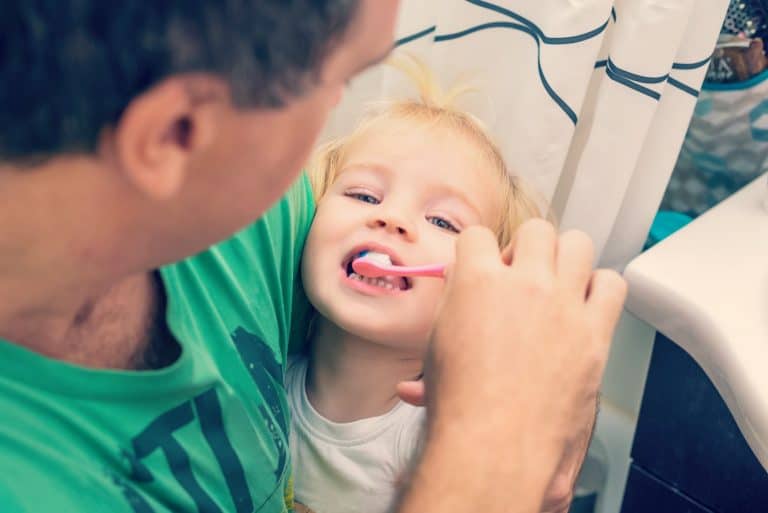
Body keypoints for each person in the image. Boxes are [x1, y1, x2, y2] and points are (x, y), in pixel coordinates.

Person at [0, 2, 627, 512]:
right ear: (173, 135)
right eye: (338, 82)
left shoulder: (262, 225)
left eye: (439, 219)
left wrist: (554, 392)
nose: (389, 220)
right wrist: (498, 457)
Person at [288, 58, 556, 513]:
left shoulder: (444, 446)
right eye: (364, 195)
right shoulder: (259, 380)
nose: (391, 218)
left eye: (442, 221)